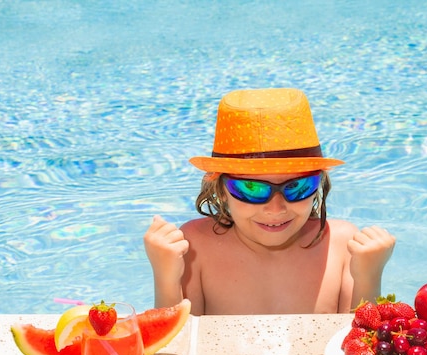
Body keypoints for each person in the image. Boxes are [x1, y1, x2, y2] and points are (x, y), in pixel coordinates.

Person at [144, 88, 395, 315]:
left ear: (318, 184)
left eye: (297, 187)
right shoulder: (195, 247)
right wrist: (165, 275)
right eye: (251, 189)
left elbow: (360, 347)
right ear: (220, 189)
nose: (275, 209)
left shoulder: (342, 246)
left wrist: (369, 275)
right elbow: (177, 349)